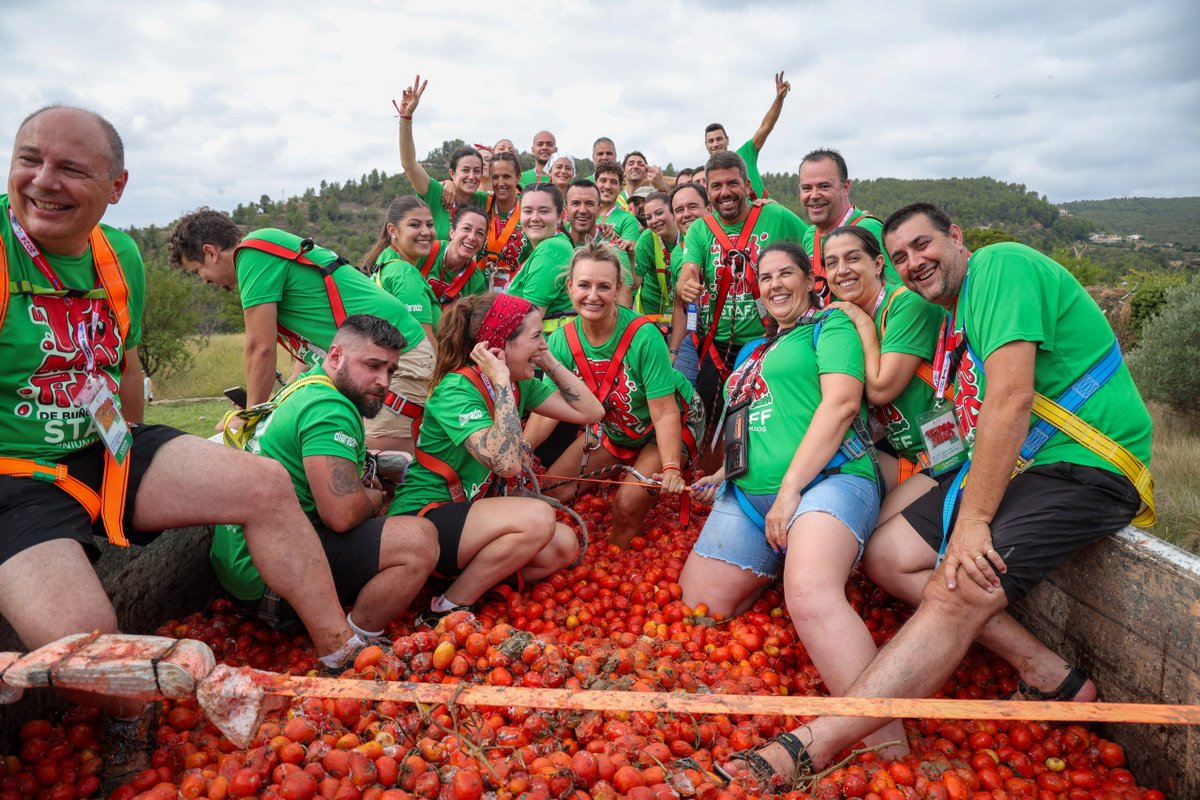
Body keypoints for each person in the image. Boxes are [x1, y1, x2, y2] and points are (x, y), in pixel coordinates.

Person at [718, 203, 1154, 785]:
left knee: (959, 581)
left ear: (956, 236)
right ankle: (1049, 674)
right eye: (901, 256)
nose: (914, 262)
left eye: (922, 246)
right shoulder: (947, 316)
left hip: (1083, 464)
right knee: (886, 557)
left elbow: (1010, 400)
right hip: (1021, 465)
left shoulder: (1000, 267)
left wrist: (972, 522)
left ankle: (816, 742)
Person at [0, 106, 365, 771]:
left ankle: (341, 651)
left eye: (71, 168)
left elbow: (125, 366)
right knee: (84, 642)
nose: (42, 181)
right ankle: (131, 722)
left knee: (263, 482)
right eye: (29, 159)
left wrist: (134, 456)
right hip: (13, 475)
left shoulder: (119, 257)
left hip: (103, 443)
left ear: (116, 186)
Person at [678, 241, 905, 760]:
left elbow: (844, 401)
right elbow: (753, 419)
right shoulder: (751, 351)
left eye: (787, 274)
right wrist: (722, 470)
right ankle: (783, 564)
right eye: (766, 278)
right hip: (749, 494)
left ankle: (888, 745)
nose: (776, 285)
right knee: (698, 608)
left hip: (829, 479)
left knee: (810, 595)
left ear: (809, 280)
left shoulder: (833, 328)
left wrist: (789, 491)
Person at [211, 315, 438, 641]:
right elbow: (342, 516)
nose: (383, 382)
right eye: (372, 365)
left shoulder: (304, 387)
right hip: (269, 582)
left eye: (390, 371)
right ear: (335, 356)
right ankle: (352, 642)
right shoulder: (330, 408)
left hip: (241, 566)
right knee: (419, 540)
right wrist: (375, 498)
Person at [391, 293, 604, 624]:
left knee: (563, 544)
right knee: (537, 518)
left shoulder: (522, 386)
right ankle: (448, 606)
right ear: (498, 348)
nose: (543, 344)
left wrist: (548, 361)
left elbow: (591, 411)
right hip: (425, 518)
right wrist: (502, 381)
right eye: (536, 337)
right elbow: (505, 464)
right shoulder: (456, 390)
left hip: (466, 519)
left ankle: (468, 584)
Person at [168, 210, 433, 454]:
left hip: (396, 357)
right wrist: (271, 404)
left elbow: (260, 348)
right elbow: (303, 364)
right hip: (383, 356)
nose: (204, 280)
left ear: (211, 252)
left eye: (197, 270)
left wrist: (250, 418)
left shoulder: (252, 252)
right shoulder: (271, 254)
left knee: (368, 457)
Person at [524, 243, 701, 548]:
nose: (592, 296)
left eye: (604, 286)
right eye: (584, 285)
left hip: (671, 423)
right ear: (569, 287)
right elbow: (547, 408)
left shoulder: (644, 336)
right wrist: (523, 448)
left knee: (627, 503)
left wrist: (671, 466)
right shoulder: (562, 341)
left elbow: (664, 411)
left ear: (619, 288)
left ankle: (616, 554)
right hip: (616, 427)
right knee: (553, 490)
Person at [677, 151, 808, 421]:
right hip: (717, 348)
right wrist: (686, 284)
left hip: (768, 342)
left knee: (766, 420)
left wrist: (851, 220)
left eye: (732, 183)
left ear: (747, 186)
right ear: (708, 190)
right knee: (711, 424)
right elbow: (689, 269)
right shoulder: (701, 229)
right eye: (716, 186)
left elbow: (814, 240)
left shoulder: (775, 216)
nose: (725, 192)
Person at [823, 226, 948, 499]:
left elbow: (880, 390)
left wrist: (861, 321)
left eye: (853, 258)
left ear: (878, 264)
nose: (842, 270)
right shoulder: (841, 317)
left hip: (949, 451)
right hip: (904, 452)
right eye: (832, 263)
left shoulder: (907, 304)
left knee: (876, 537)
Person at [799, 148, 899, 304]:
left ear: (845, 187)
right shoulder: (810, 235)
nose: (814, 195)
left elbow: (899, 294)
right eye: (806, 188)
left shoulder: (867, 229)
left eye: (824, 186)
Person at [395, 76, 487, 239]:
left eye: (477, 171)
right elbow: (409, 164)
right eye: (465, 170)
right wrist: (406, 117)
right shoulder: (436, 193)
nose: (472, 176)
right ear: (452, 173)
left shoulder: (483, 201)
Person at [361, 197, 441, 338]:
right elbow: (424, 346)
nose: (426, 232)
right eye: (415, 225)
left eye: (429, 225)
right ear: (393, 230)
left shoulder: (383, 260)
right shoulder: (404, 274)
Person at [703, 71, 790, 199]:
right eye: (711, 141)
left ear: (727, 140)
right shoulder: (707, 175)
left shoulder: (745, 154)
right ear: (706, 145)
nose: (715, 144)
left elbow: (765, 127)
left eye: (719, 139)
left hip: (764, 215)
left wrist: (779, 99)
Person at [666, 182, 712, 379]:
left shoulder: (727, 239)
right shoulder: (677, 252)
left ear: (709, 209)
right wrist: (674, 351)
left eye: (693, 207)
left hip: (732, 340)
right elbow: (680, 305)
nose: (686, 214)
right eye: (679, 210)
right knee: (680, 389)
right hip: (694, 338)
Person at [482, 151, 525, 292]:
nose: (500, 183)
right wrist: (448, 183)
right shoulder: (481, 202)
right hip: (479, 296)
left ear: (518, 177)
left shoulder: (530, 210)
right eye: (495, 177)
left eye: (506, 176)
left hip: (517, 295)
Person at [633, 190, 679, 318]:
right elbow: (633, 283)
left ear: (673, 211)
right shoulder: (646, 239)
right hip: (651, 312)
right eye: (648, 217)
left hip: (684, 310)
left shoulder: (689, 233)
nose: (654, 220)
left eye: (659, 213)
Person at [593, 160, 642, 249]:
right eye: (603, 180)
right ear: (595, 185)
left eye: (613, 182)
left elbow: (630, 257)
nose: (607, 186)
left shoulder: (628, 220)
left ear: (620, 189)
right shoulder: (584, 214)